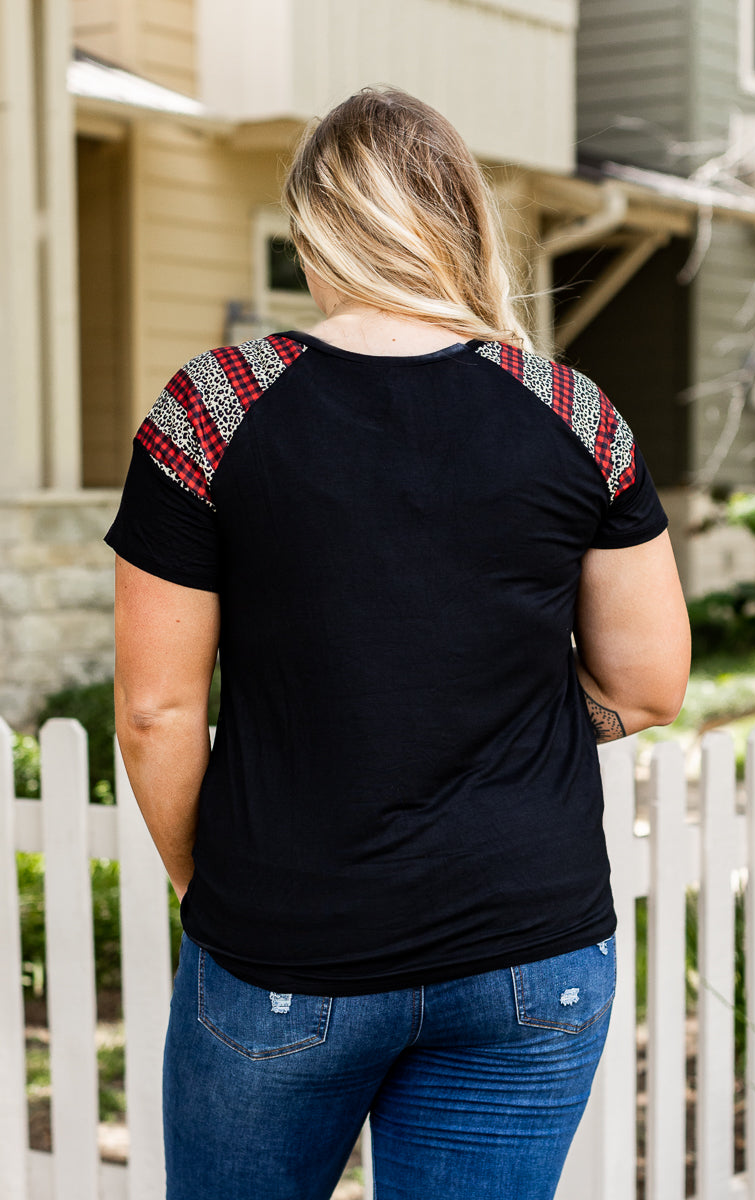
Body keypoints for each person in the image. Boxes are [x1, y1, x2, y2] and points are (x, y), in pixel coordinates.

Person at [106, 85, 691, 1200]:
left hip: (285, 944)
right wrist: (492, 721)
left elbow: (155, 711)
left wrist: (208, 886)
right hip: (529, 948)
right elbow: (650, 686)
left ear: (312, 227)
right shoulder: (573, 412)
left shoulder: (210, 411)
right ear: (465, 220)